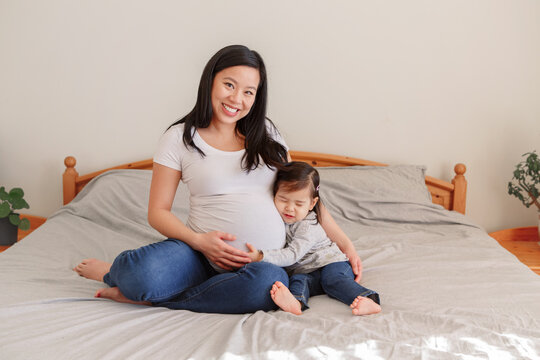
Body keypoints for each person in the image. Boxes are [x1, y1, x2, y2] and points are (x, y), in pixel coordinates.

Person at [73, 45, 363, 314]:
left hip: (262, 262)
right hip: (197, 255)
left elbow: (305, 199)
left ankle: (156, 298)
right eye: (229, 85)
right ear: (210, 81)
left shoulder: (267, 134)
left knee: (269, 287)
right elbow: (157, 212)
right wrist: (199, 242)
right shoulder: (179, 138)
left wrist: (346, 246)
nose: (237, 99)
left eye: (249, 92)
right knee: (141, 273)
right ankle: (114, 274)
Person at [246, 162, 381, 316]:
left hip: (331, 263)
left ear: (312, 203)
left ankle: (368, 299)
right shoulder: (276, 219)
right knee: (299, 280)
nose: (290, 208)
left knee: (332, 280)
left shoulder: (308, 227)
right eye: (283, 200)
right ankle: (296, 303)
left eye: (298, 203)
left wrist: (261, 256)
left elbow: (292, 255)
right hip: (307, 270)